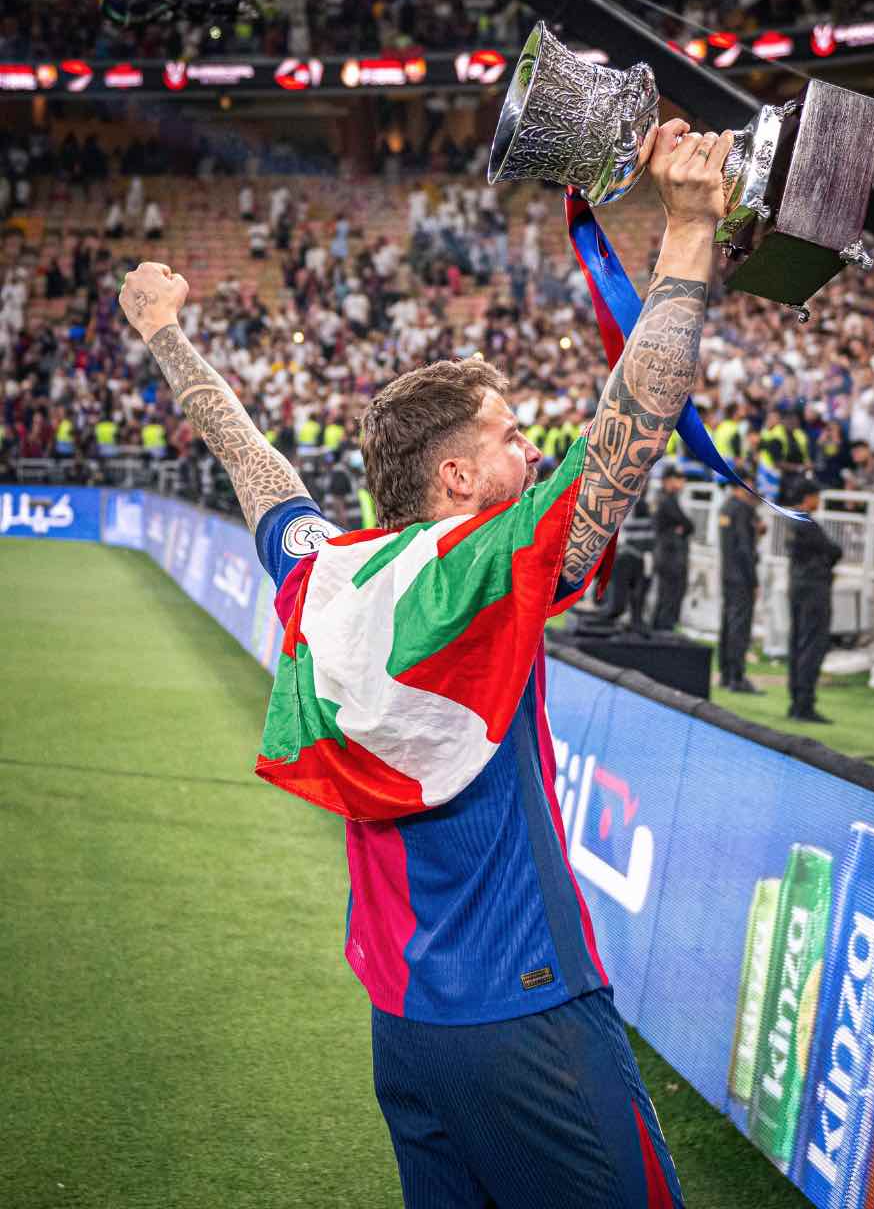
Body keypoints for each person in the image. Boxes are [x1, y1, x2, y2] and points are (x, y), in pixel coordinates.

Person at [116, 118, 736, 1209]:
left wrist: (164, 332)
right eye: (509, 437)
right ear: (455, 476)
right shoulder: (494, 567)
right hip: (529, 1013)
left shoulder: (327, 575)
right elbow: (638, 414)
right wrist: (688, 229)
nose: (531, 450)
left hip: (403, 1027)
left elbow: (251, 459)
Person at [786, 479, 842, 722]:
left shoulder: (791, 521)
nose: (818, 501)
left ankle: (796, 700)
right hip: (813, 590)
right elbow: (833, 550)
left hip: (797, 586)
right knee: (812, 645)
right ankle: (804, 704)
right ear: (808, 497)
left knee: (798, 643)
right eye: (817, 496)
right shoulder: (807, 523)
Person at [719, 480, 763, 693]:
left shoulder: (726, 506)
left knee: (728, 625)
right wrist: (754, 580)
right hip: (742, 578)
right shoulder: (744, 510)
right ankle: (737, 677)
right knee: (740, 628)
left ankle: (725, 674)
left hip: (727, 574)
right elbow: (745, 548)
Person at [652, 465, 693, 630]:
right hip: (670, 555)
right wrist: (682, 527)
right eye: (678, 479)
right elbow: (687, 524)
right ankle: (663, 630)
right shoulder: (666, 500)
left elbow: (687, 526)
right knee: (669, 595)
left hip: (669, 554)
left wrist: (683, 527)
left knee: (668, 594)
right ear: (669, 481)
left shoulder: (669, 499)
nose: (682, 483)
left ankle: (660, 629)